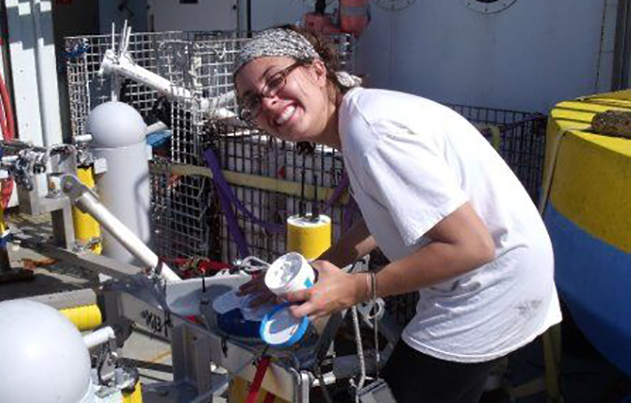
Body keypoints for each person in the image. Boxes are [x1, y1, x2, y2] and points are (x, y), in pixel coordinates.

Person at [234, 26, 562, 403]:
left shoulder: (371, 132)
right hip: (496, 279)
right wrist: (316, 270)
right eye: (253, 102)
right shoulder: (359, 118)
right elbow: (393, 213)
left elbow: (473, 246)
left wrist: (358, 288)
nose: (269, 103)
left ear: (317, 70)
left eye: (275, 80)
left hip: (487, 288)